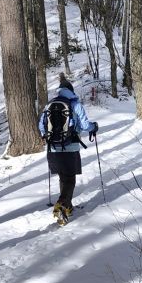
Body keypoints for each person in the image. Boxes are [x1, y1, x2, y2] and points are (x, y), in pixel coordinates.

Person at [39, 74, 98, 224]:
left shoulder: (49, 105)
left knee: (62, 177)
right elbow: (85, 126)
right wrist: (94, 126)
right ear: (71, 90)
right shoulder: (75, 104)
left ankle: (68, 206)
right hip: (70, 146)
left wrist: (47, 136)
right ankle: (62, 205)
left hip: (53, 148)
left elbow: (41, 127)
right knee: (70, 179)